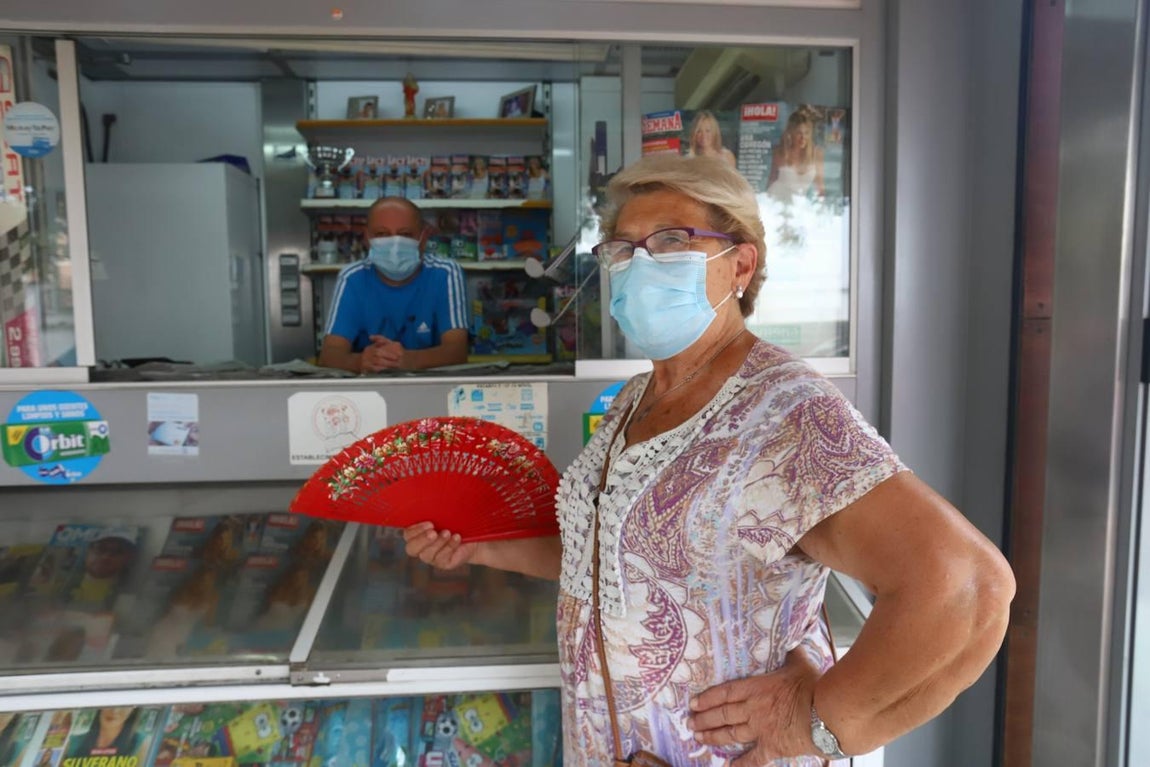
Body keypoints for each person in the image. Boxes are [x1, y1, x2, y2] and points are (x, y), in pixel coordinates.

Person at [404, 154, 1016, 766]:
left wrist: (820, 725)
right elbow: (613, 558)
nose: (641, 265)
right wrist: (481, 546)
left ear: (740, 265)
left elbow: (966, 588)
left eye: (671, 241)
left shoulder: (784, 412)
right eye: (622, 250)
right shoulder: (638, 398)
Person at [318, 197, 469, 373]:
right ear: (367, 238)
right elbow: (329, 355)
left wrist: (409, 360)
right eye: (382, 234)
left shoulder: (446, 273)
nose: (395, 245)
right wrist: (361, 361)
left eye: (405, 234)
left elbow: (457, 352)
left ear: (424, 237)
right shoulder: (352, 278)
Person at [767, 107, 826, 201]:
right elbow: (771, 180)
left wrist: (822, 207)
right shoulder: (780, 152)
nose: (803, 137)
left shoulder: (816, 153)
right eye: (799, 133)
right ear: (791, 133)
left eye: (806, 133)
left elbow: (820, 186)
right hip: (776, 202)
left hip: (798, 205)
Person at [64, 707, 142, 758]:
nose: (114, 711)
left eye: (124, 706)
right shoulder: (74, 743)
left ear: (133, 711)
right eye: (110, 703)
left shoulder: (140, 744)